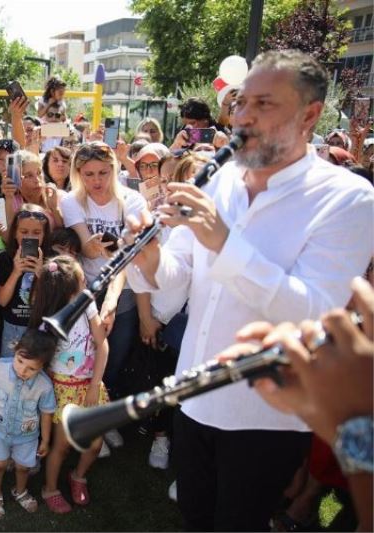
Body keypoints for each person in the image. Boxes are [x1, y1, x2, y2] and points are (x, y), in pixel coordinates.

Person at [126, 49, 374, 531]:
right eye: (240, 103)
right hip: (193, 395)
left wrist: (224, 240)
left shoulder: (349, 199)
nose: (243, 116)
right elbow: (178, 281)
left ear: (310, 115)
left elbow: (314, 314)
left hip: (266, 414)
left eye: (264, 104)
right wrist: (149, 259)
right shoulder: (220, 181)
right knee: (195, 518)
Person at [221, 277, 373, 532]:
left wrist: (359, 426)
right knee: (319, 467)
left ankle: (314, 514)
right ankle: (302, 501)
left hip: (354, 472)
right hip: (343, 403)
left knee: (335, 495)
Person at [61, 142, 147, 408]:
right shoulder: (71, 201)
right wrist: (93, 246)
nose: (96, 180)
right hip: (87, 290)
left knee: (116, 354)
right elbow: (85, 244)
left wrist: (111, 302)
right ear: (78, 174)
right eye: (89, 174)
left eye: (103, 172)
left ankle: (103, 409)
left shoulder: (132, 200)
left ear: (114, 169)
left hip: (125, 290)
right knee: (87, 354)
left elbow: (126, 258)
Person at [27, 255, 109, 514]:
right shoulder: (46, 317)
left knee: (95, 444)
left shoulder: (87, 305)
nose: (86, 283)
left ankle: (78, 476)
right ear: (65, 292)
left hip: (89, 384)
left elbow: (102, 344)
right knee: (61, 446)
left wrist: (95, 385)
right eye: (81, 280)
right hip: (61, 388)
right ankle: (50, 488)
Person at [0, 329, 57, 520]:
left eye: (31, 368)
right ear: (15, 350)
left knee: (23, 467)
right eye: (19, 361)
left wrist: (46, 439)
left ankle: (19, 490)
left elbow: (46, 412)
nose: (22, 370)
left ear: (42, 366)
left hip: (27, 436)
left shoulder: (44, 385)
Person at [0, 205, 50, 358]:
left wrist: (40, 273)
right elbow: (2, 301)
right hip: (13, 326)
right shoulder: (5, 258)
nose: (29, 237)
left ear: (45, 235)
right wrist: (16, 271)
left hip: (40, 328)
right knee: (8, 369)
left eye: (37, 232)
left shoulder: (51, 261)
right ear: (14, 233)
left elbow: (50, 303)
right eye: (24, 232)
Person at [3, 150, 63, 229]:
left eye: (39, 173)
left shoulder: (60, 197)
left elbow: (67, 234)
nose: (37, 180)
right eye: (29, 175)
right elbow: (10, 235)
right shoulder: (12, 204)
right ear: (17, 179)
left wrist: (55, 210)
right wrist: (9, 197)